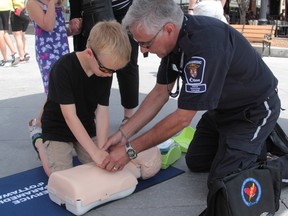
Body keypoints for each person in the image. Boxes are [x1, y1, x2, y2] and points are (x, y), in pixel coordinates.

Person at [101, 0, 288, 212]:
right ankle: (249, 149)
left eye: (146, 44)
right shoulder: (175, 41)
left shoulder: (206, 44)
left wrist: (130, 151)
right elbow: (160, 93)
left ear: (168, 29)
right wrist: (123, 134)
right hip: (222, 110)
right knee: (196, 160)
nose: (143, 50)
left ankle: (274, 159)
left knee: (222, 184)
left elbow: (182, 118)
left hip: (254, 111)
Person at [28, 20, 132, 177]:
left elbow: (102, 111)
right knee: (59, 176)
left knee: (104, 165)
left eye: (114, 71)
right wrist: (94, 153)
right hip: (58, 128)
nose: (109, 75)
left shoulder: (103, 69)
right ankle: (38, 139)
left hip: (85, 126)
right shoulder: (63, 68)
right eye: (107, 70)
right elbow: (70, 117)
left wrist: (101, 149)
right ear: (90, 53)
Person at [69, 0, 139, 124]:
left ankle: (129, 116)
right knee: (95, 62)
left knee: (127, 63)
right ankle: (92, 113)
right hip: (95, 9)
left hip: (126, 10)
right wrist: (75, 14)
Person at [26, 0, 70, 127]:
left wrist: (71, 30)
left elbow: (57, 28)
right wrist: (51, 3)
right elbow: (48, 25)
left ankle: (39, 122)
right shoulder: (32, 3)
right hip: (47, 51)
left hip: (61, 49)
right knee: (53, 88)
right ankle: (39, 122)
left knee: (61, 86)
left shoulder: (56, 3)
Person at [0, 0, 20, 67]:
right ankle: (14, 53)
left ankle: (5, 59)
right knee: (5, 31)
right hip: (7, 6)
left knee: (0, 32)